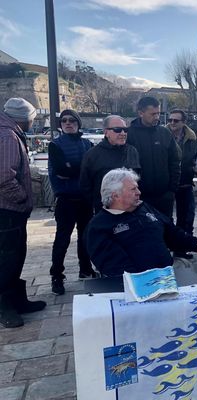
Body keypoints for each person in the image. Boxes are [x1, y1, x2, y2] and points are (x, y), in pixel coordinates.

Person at [86, 168, 197, 277]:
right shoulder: (99, 226)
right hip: (135, 286)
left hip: (167, 275)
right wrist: (146, 282)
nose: (139, 192)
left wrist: (196, 246)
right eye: (133, 189)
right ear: (116, 196)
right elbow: (114, 266)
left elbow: (170, 231)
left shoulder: (144, 208)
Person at [0, 98, 46, 328]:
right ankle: (6, 307)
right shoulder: (8, 136)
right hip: (7, 211)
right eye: (32, 118)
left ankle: (18, 300)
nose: (33, 122)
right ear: (24, 118)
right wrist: (22, 198)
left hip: (10, 211)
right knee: (7, 259)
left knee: (16, 256)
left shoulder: (8, 131)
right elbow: (4, 177)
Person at [48, 109, 96, 296]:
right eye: (64, 120)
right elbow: (61, 171)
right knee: (62, 239)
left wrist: (73, 168)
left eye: (72, 120)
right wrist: (82, 168)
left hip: (84, 199)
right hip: (66, 200)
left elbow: (91, 169)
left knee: (85, 238)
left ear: (78, 123)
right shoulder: (55, 145)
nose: (68, 123)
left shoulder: (88, 144)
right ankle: (57, 276)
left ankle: (85, 269)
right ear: (61, 124)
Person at [127, 96, 181, 217]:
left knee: (166, 230)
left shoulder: (165, 133)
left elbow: (174, 162)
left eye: (158, 113)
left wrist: (172, 190)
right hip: (139, 196)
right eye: (153, 114)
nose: (157, 117)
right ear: (141, 113)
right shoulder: (129, 134)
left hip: (164, 197)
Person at [80, 115, 141, 212]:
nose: (122, 133)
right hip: (105, 211)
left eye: (125, 129)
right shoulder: (92, 155)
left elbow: (138, 179)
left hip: (131, 209)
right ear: (106, 132)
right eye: (117, 129)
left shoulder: (132, 151)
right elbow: (85, 185)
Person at [167, 109, 197, 258]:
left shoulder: (193, 140)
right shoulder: (162, 136)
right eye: (170, 120)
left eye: (176, 120)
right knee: (166, 219)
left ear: (183, 122)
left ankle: (182, 249)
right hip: (166, 184)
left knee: (186, 219)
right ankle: (165, 249)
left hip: (185, 184)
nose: (172, 123)